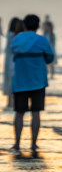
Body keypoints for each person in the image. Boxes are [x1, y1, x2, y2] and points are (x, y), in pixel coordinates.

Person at [10, 14, 54, 152]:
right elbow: (50, 57)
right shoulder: (42, 40)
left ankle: (17, 143)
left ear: (24, 25)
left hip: (20, 81)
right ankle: (33, 144)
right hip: (38, 81)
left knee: (19, 113)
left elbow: (13, 53)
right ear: (38, 26)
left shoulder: (17, 39)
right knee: (36, 113)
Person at [3, 17, 24, 108]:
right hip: (13, 60)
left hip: (10, 60)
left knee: (11, 81)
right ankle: (11, 102)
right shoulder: (12, 35)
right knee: (13, 82)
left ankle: (10, 102)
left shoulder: (10, 34)